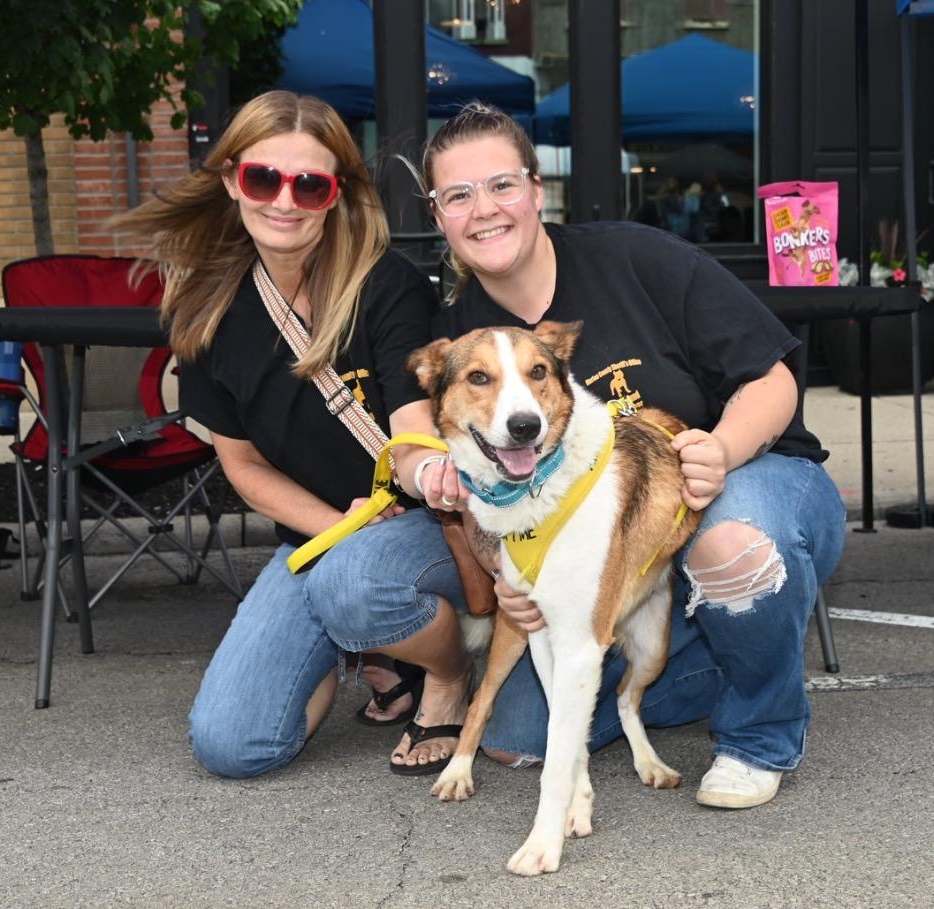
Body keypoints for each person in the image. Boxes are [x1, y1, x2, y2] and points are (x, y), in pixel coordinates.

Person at [308, 101, 846, 809]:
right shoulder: (461, 340)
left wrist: (721, 447)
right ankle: (700, 653)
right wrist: (503, 564)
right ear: (439, 216)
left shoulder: (637, 257)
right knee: (518, 735)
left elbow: (772, 378)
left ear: (536, 188)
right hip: (601, 546)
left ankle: (758, 733)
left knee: (731, 542)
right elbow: (464, 468)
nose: (485, 210)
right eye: (458, 195)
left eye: (502, 185)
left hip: (748, 477)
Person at [113, 91, 473, 779]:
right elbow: (243, 467)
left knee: (355, 580)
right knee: (234, 744)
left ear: (335, 195)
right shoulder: (205, 311)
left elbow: (412, 423)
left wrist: (418, 470)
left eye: (309, 184)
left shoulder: (388, 285)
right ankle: (368, 646)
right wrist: (339, 527)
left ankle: (447, 673)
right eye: (262, 178)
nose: (284, 201)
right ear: (230, 180)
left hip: (430, 521)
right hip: (324, 533)